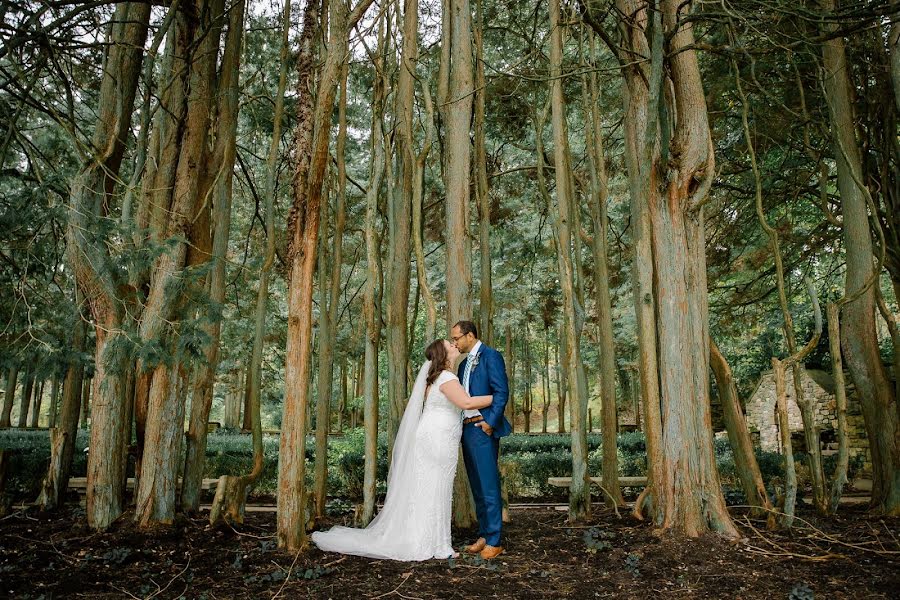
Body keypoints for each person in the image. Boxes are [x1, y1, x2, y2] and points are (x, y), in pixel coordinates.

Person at [311, 339, 493, 561]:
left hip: (433, 435)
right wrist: (497, 397)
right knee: (438, 488)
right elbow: (466, 403)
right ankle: (438, 544)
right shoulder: (447, 378)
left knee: (429, 489)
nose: (454, 346)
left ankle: (431, 540)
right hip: (438, 438)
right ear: (443, 355)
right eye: (449, 345)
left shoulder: (433, 380)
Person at [450, 320, 511, 560]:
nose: (454, 342)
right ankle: (485, 535)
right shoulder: (464, 364)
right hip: (466, 430)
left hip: (483, 429)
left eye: (457, 338)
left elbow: (501, 391)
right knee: (476, 486)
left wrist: (490, 422)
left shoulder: (491, 356)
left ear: (470, 335)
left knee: (488, 486)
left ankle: (495, 540)